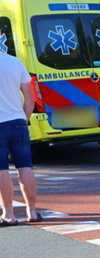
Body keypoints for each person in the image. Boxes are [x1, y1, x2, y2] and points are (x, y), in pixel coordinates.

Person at [0, 48, 37, 226]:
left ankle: (9, 215)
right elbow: (29, 97)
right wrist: (24, 119)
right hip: (18, 121)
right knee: (25, 166)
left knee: (1, 170)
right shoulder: (16, 62)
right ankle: (32, 212)